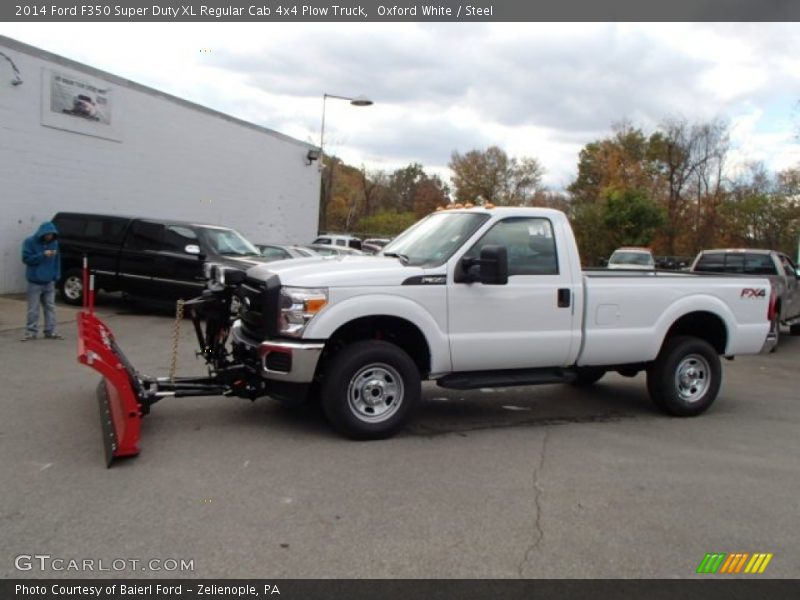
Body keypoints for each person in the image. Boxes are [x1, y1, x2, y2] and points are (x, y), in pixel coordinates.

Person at [20, 222, 63, 341]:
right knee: (33, 308)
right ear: (42, 233)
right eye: (47, 234)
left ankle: (50, 330)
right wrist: (42, 255)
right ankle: (31, 331)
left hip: (49, 281)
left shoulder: (54, 243)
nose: (49, 237)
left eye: (52, 234)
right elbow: (26, 259)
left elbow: (57, 261)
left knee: (50, 307)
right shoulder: (29, 242)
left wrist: (56, 275)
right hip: (34, 281)